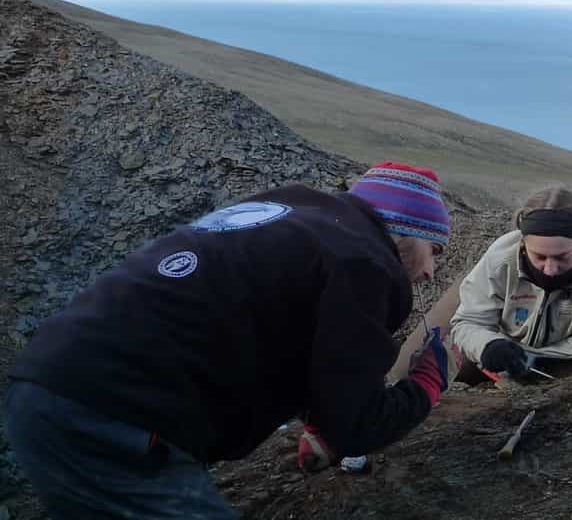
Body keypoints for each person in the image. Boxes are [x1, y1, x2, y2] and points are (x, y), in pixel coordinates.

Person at [4, 161, 455, 518]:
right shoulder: (364, 262)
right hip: (115, 417)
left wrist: (317, 417)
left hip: (49, 386)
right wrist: (428, 383)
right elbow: (357, 427)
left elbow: (263, 324)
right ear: (402, 231)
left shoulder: (297, 220)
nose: (430, 271)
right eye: (433, 250)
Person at [389, 185, 572, 386]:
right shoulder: (499, 259)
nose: (549, 269)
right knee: (406, 375)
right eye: (539, 256)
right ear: (522, 242)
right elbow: (468, 322)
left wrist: (525, 357)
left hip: (553, 355)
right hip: (491, 332)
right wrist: (487, 345)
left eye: (562, 257)